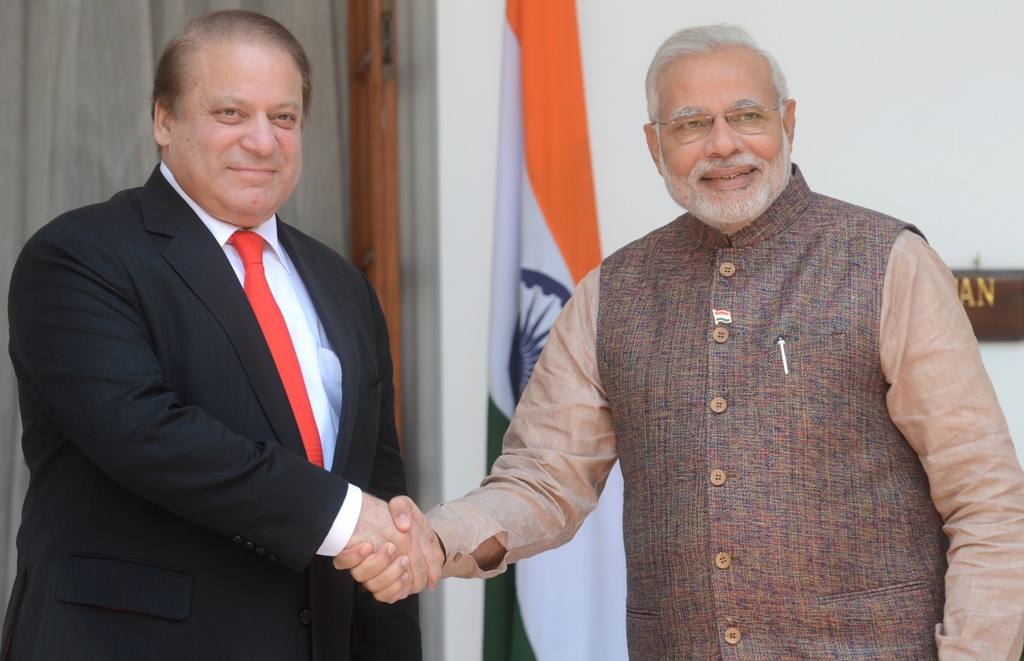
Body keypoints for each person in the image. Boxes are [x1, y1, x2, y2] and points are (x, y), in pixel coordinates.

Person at [345, 24, 1024, 660]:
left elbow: (988, 500)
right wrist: (437, 537)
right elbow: (544, 478)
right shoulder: (613, 292)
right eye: (692, 124)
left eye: (747, 115)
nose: (722, 144)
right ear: (654, 143)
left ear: (788, 122)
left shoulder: (888, 263)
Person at [1, 10, 437, 660]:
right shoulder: (79, 257)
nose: (262, 141)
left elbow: (376, 479)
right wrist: (348, 519)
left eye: (283, 117)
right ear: (164, 120)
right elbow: (149, 433)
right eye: (231, 113)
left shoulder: (343, 285)